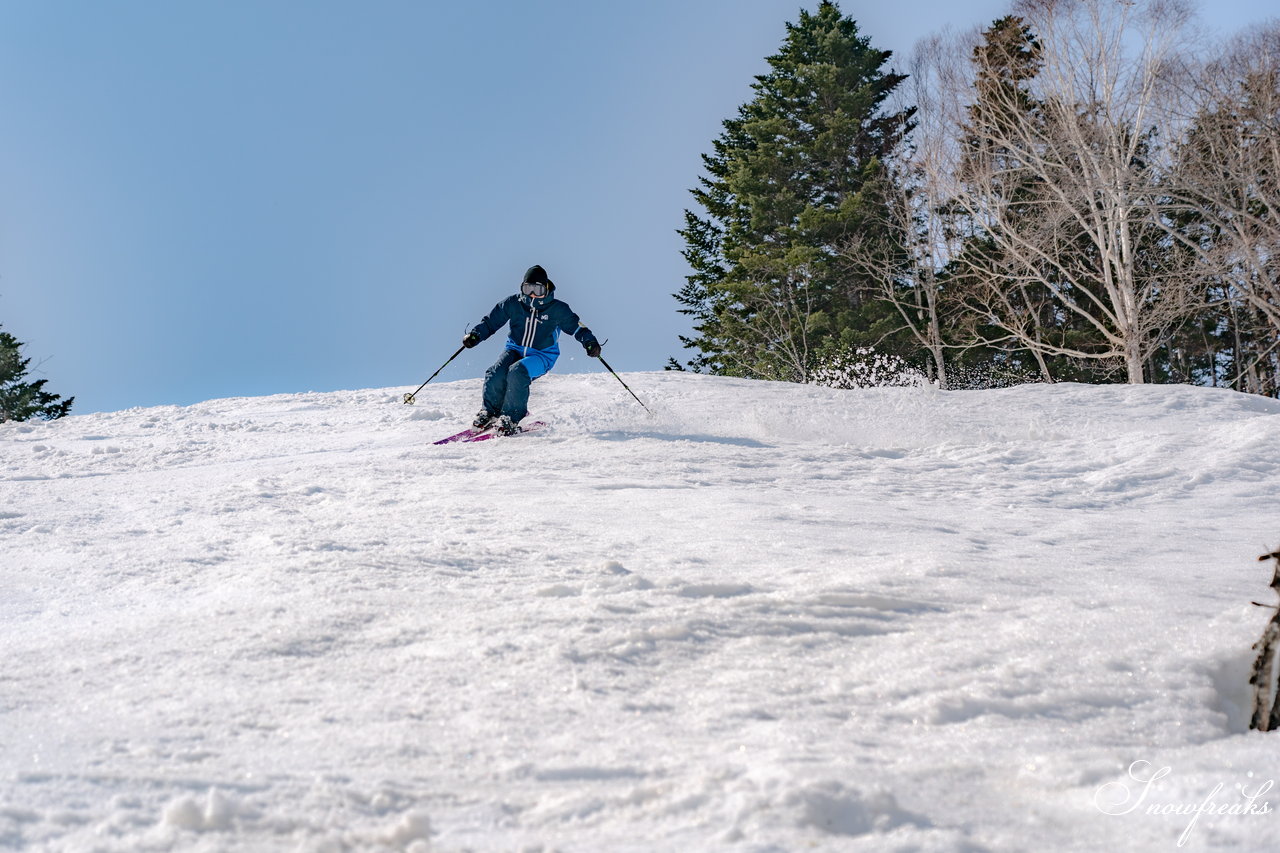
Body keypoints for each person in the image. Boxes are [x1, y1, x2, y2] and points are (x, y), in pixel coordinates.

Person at [463, 265, 601, 435]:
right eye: (528, 289)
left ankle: (511, 418)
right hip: (514, 349)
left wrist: (590, 342)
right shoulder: (513, 304)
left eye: (538, 289)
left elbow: (577, 328)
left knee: (517, 372)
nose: (533, 294)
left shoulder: (558, 309)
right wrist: (476, 335)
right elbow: (491, 322)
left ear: (547, 288)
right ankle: (490, 413)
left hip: (543, 355)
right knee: (496, 372)